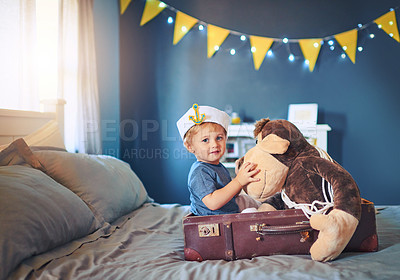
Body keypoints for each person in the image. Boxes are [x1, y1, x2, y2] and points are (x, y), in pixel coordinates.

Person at [176, 103, 260, 216]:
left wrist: (240, 179)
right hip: (212, 220)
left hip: (228, 213)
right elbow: (213, 203)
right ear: (190, 146)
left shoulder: (218, 167)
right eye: (205, 140)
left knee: (253, 203)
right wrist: (238, 181)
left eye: (219, 138)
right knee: (253, 214)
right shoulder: (200, 172)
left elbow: (232, 195)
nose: (214, 144)